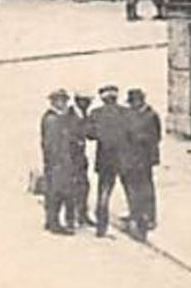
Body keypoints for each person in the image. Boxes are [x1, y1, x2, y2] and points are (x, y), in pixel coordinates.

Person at [86, 85, 130, 237]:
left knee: (104, 192)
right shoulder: (126, 113)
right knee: (131, 191)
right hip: (125, 157)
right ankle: (137, 223)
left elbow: (90, 135)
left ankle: (101, 227)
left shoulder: (96, 114)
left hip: (105, 158)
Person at [120, 88, 162, 239]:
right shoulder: (129, 114)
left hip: (145, 158)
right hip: (131, 158)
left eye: (135, 102)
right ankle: (135, 214)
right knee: (132, 186)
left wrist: (140, 139)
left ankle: (149, 217)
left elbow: (156, 137)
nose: (133, 105)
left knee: (145, 186)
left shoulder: (151, 115)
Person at [39, 89, 77, 235]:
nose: (62, 103)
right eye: (59, 101)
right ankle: (55, 223)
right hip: (59, 161)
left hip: (62, 161)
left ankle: (52, 221)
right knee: (58, 192)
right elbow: (52, 143)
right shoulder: (52, 119)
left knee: (58, 191)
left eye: (64, 100)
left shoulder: (59, 117)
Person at [69, 93, 93, 227]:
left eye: (88, 101)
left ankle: (82, 215)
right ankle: (73, 217)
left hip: (80, 157)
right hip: (70, 157)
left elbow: (89, 134)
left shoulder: (85, 115)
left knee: (84, 186)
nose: (86, 104)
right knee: (72, 187)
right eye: (84, 101)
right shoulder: (70, 115)